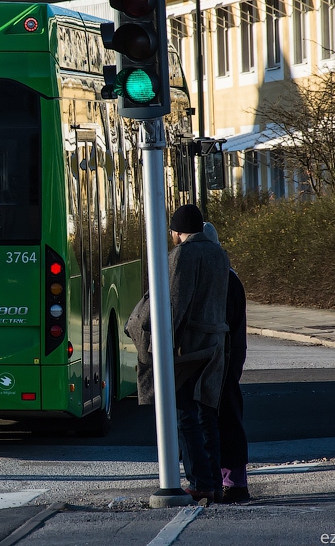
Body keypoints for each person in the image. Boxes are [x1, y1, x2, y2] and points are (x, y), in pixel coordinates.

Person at [124, 204, 230, 504]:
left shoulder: (182, 256)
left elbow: (173, 304)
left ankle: (199, 483)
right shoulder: (219, 254)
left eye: (172, 231)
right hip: (214, 346)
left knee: (183, 414)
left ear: (177, 231)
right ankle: (214, 482)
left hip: (188, 349)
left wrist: (157, 347)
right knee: (207, 414)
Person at [204, 222, 250, 504]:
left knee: (224, 419)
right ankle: (231, 480)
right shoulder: (230, 276)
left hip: (223, 360)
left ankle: (232, 482)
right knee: (227, 417)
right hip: (229, 358)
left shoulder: (223, 279)